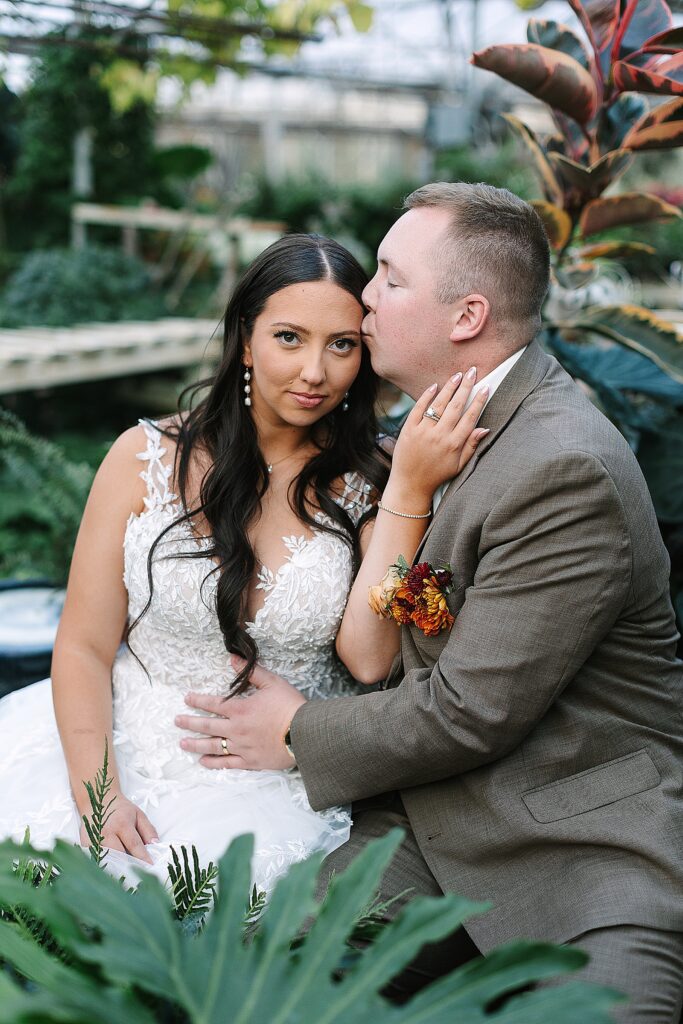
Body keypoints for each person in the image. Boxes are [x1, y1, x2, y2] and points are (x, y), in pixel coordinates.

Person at [178, 184, 683, 1022]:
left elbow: (470, 711)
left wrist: (295, 733)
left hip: (576, 849)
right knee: (240, 988)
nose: (364, 296)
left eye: (388, 276)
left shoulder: (561, 468)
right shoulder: (426, 432)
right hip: (424, 828)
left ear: (465, 316)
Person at [0, 232, 488, 891]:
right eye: (289, 337)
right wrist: (99, 796)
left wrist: (406, 491)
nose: (314, 371)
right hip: (113, 745)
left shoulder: (375, 484)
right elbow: (84, 645)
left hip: (268, 782)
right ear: (246, 336)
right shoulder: (141, 459)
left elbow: (370, 659)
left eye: (340, 344)